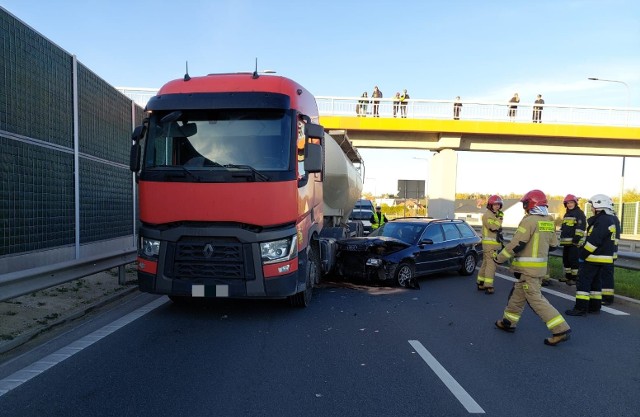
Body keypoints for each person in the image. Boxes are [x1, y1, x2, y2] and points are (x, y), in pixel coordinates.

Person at [493, 189, 571, 346]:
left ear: (532, 204)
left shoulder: (529, 221)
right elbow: (554, 245)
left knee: (536, 300)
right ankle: (508, 322)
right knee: (517, 296)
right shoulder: (549, 220)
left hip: (527, 269)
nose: (524, 207)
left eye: (525, 204)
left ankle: (560, 329)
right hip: (538, 269)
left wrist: (499, 258)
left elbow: (517, 243)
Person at [566, 194, 618, 316]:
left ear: (599, 205)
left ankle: (580, 308)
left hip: (593, 257)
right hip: (602, 258)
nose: (591, 208)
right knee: (595, 283)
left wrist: (582, 255)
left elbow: (595, 240)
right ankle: (594, 307)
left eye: (592, 206)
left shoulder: (602, 220)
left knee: (583, 282)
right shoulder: (609, 219)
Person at [476, 195, 504, 295]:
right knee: (491, 265)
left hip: (492, 245)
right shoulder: (487, 215)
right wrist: (500, 219)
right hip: (489, 246)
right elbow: (493, 227)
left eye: (498, 205)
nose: (497, 206)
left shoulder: (494, 215)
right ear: (490, 205)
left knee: (486, 264)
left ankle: (480, 282)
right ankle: (488, 285)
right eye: (495, 204)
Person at [559, 194, 586, 286]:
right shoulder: (567, 214)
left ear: (575, 203)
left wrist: (576, 240)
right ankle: (568, 276)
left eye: (571, 202)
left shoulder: (579, 213)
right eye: (568, 203)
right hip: (566, 243)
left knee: (574, 261)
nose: (569, 204)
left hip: (574, 243)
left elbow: (581, 228)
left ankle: (574, 279)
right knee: (566, 261)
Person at [602, 211, 621, 305]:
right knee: (605, 276)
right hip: (609, 253)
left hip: (607, 254)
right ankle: (605, 297)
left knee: (606, 276)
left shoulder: (610, 219)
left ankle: (607, 298)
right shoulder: (613, 218)